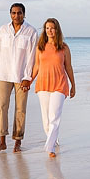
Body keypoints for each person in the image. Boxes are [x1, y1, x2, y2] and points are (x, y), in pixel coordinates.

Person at [0, 3, 38, 153]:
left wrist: (28, 77)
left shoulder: (31, 32)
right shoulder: (3, 30)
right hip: (3, 74)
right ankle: (2, 141)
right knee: (1, 107)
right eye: (14, 13)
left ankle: (17, 142)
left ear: (24, 14)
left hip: (21, 76)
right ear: (10, 14)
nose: (16, 16)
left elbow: (32, 57)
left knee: (20, 109)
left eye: (19, 13)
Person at [30, 18, 76, 158]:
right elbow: (36, 66)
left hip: (60, 84)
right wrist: (29, 81)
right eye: (47, 28)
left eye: (52, 28)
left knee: (54, 116)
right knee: (46, 119)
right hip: (43, 85)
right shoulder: (40, 47)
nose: (50, 31)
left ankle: (50, 148)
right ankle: (53, 140)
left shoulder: (64, 47)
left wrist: (73, 85)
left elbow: (68, 67)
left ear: (57, 30)